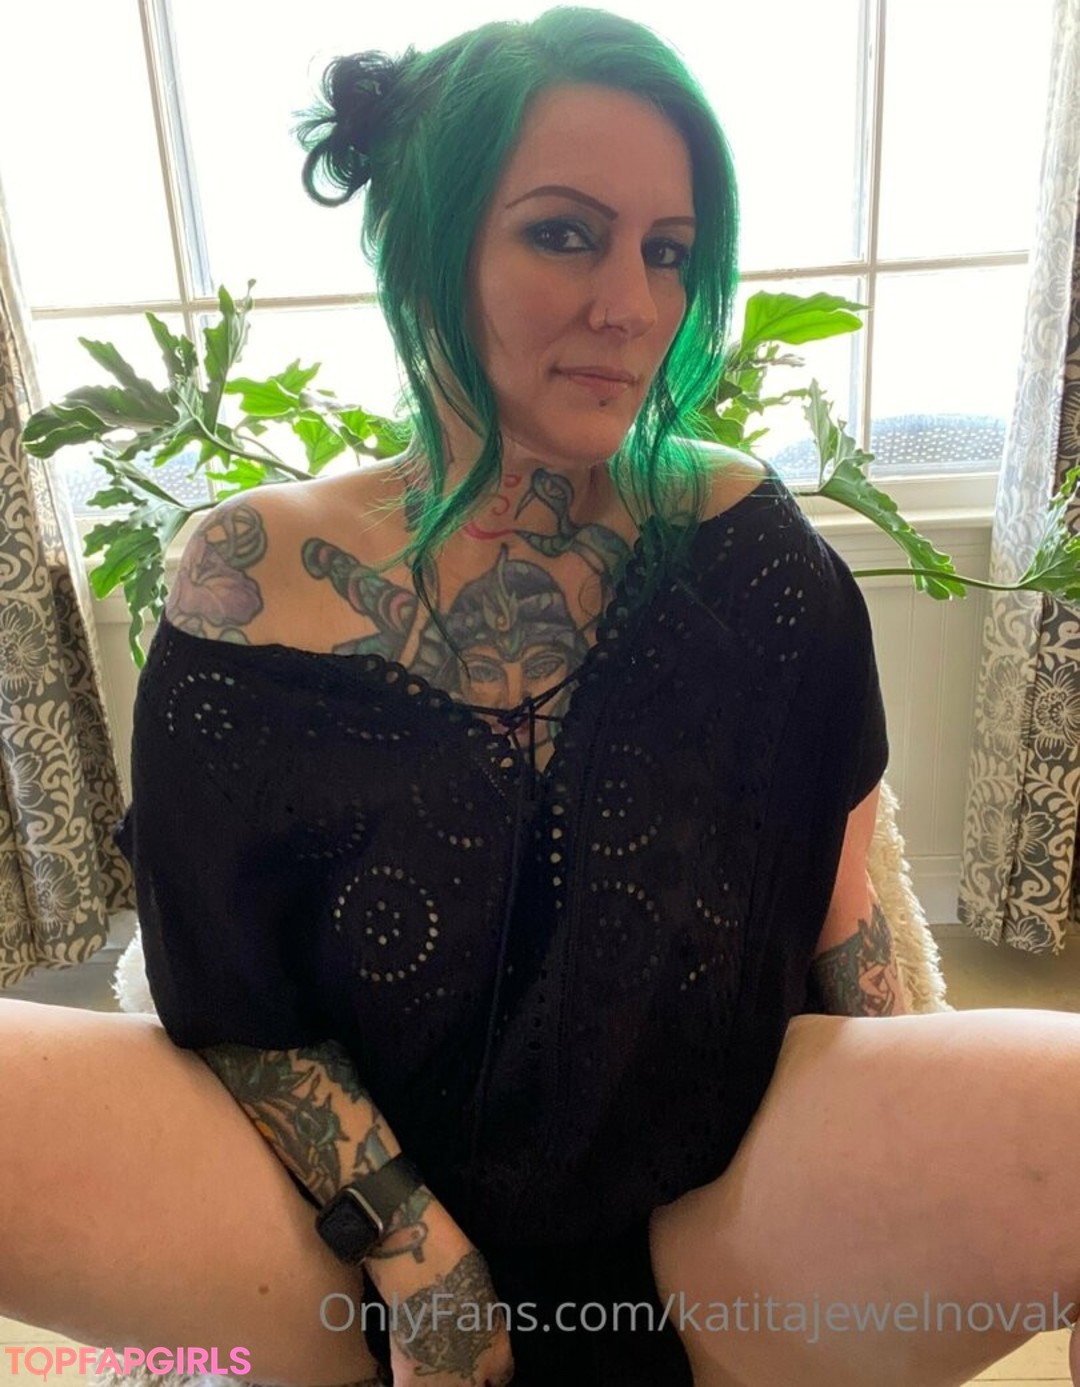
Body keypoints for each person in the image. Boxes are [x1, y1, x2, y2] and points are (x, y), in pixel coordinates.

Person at [2, 7, 1080, 1387]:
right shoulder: (243, 580)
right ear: (428, 247)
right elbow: (233, 997)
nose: (632, 304)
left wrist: (921, 1148)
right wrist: (418, 1258)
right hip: (331, 1244)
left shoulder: (753, 552)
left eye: (669, 251)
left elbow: (840, 910)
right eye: (565, 233)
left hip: (717, 1218)